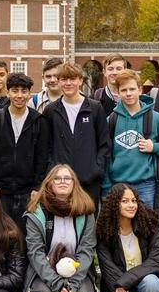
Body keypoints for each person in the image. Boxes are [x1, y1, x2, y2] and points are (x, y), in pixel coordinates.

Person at [24, 164, 97, 292]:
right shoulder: (37, 211)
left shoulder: (86, 212)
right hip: (46, 270)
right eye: (57, 178)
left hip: (77, 271)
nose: (62, 181)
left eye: (67, 178)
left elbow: (87, 251)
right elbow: (35, 253)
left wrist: (73, 283)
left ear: (74, 183)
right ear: (49, 183)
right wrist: (57, 284)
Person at [96, 184, 159, 292]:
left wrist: (126, 281)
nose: (131, 205)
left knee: (152, 283)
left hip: (140, 283)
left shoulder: (149, 224)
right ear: (114, 205)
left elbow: (158, 259)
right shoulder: (105, 231)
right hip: (115, 288)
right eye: (125, 201)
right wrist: (121, 284)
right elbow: (108, 269)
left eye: (134, 200)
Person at [0, 73, 49, 230]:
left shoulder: (38, 121)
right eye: (15, 90)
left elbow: (42, 157)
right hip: (1, 190)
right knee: (4, 233)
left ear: (29, 93)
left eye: (24, 91)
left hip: (28, 191)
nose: (19, 95)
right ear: (8, 92)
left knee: (26, 234)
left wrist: (37, 187)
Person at [43, 62, 110, 207]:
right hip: (60, 183)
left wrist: (96, 170)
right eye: (64, 79)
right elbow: (45, 146)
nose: (68, 83)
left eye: (72, 79)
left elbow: (104, 145)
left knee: (87, 226)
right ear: (59, 81)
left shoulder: (95, 108)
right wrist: (52, 170)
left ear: (80, 80)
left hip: (89, 182)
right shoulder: (51, 111)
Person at [104, 69, 159, 208]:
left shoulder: (155, 118)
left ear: (140, 90)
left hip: (146, 185)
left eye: (132, 89)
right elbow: (105, 157)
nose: (128, 93)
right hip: (118, 185)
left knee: (147, 226)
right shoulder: (110, 121)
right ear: (118, 92)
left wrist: (154, 147)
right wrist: (106, 188)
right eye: (124, 90)